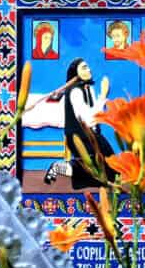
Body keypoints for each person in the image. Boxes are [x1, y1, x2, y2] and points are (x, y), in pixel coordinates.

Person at [44, 58, 112, 188]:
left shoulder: (88, 88)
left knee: (111, 168)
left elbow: (94, 115)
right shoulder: (75, 92)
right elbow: (87, 120)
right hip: (79, 138)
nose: (89, 70)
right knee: (98, 174)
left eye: (88, 67)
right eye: (84, 68)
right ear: (76, 73)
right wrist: (103, 95)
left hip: (91, 135)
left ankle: (65, 167)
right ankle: (60, 167)